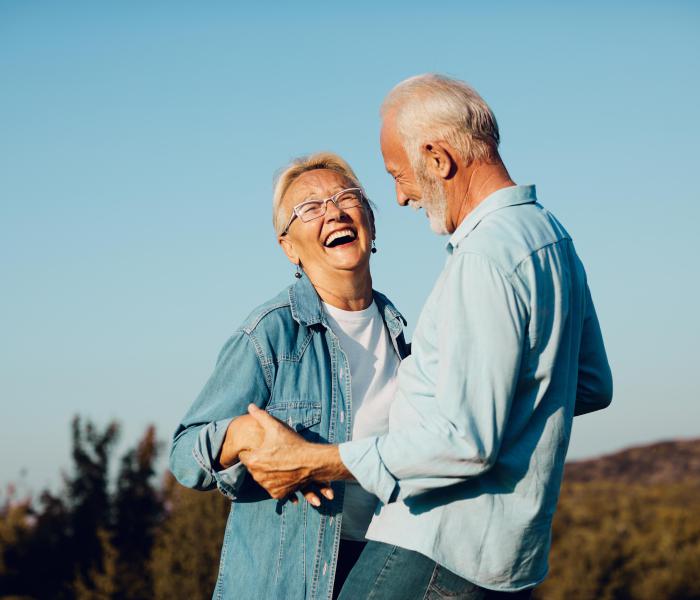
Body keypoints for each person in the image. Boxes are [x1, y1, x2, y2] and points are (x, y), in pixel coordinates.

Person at [240, 74, 614, 599]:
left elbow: (465, 442)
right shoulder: (551, 237)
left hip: (434, 550)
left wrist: (314, 460)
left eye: (399, 175)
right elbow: (592, 384)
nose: (399, 197)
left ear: (438, 159)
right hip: (511, 562)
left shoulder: (484, 259)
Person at [169, 152, 410, 599]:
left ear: (371, 223)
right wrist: (242, 433)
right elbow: (184, 454)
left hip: (381, 568)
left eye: (346, 198)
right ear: (289, 246)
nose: (334, 212)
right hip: (288, 583)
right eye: (310, 208)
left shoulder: (403, 335)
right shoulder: (271, 332)